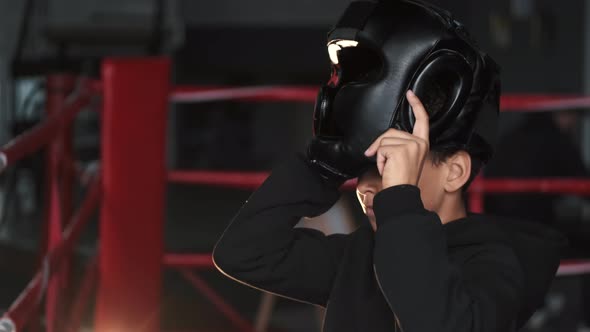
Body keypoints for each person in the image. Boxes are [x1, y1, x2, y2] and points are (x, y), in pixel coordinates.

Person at [213, 1, 566, 331]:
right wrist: (322, 165)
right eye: (361, 167)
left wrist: (400, 200)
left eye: (389, 164)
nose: (365, 186)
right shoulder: (359, 255)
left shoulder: (495, 265)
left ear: (454, 172)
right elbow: (243, 253)